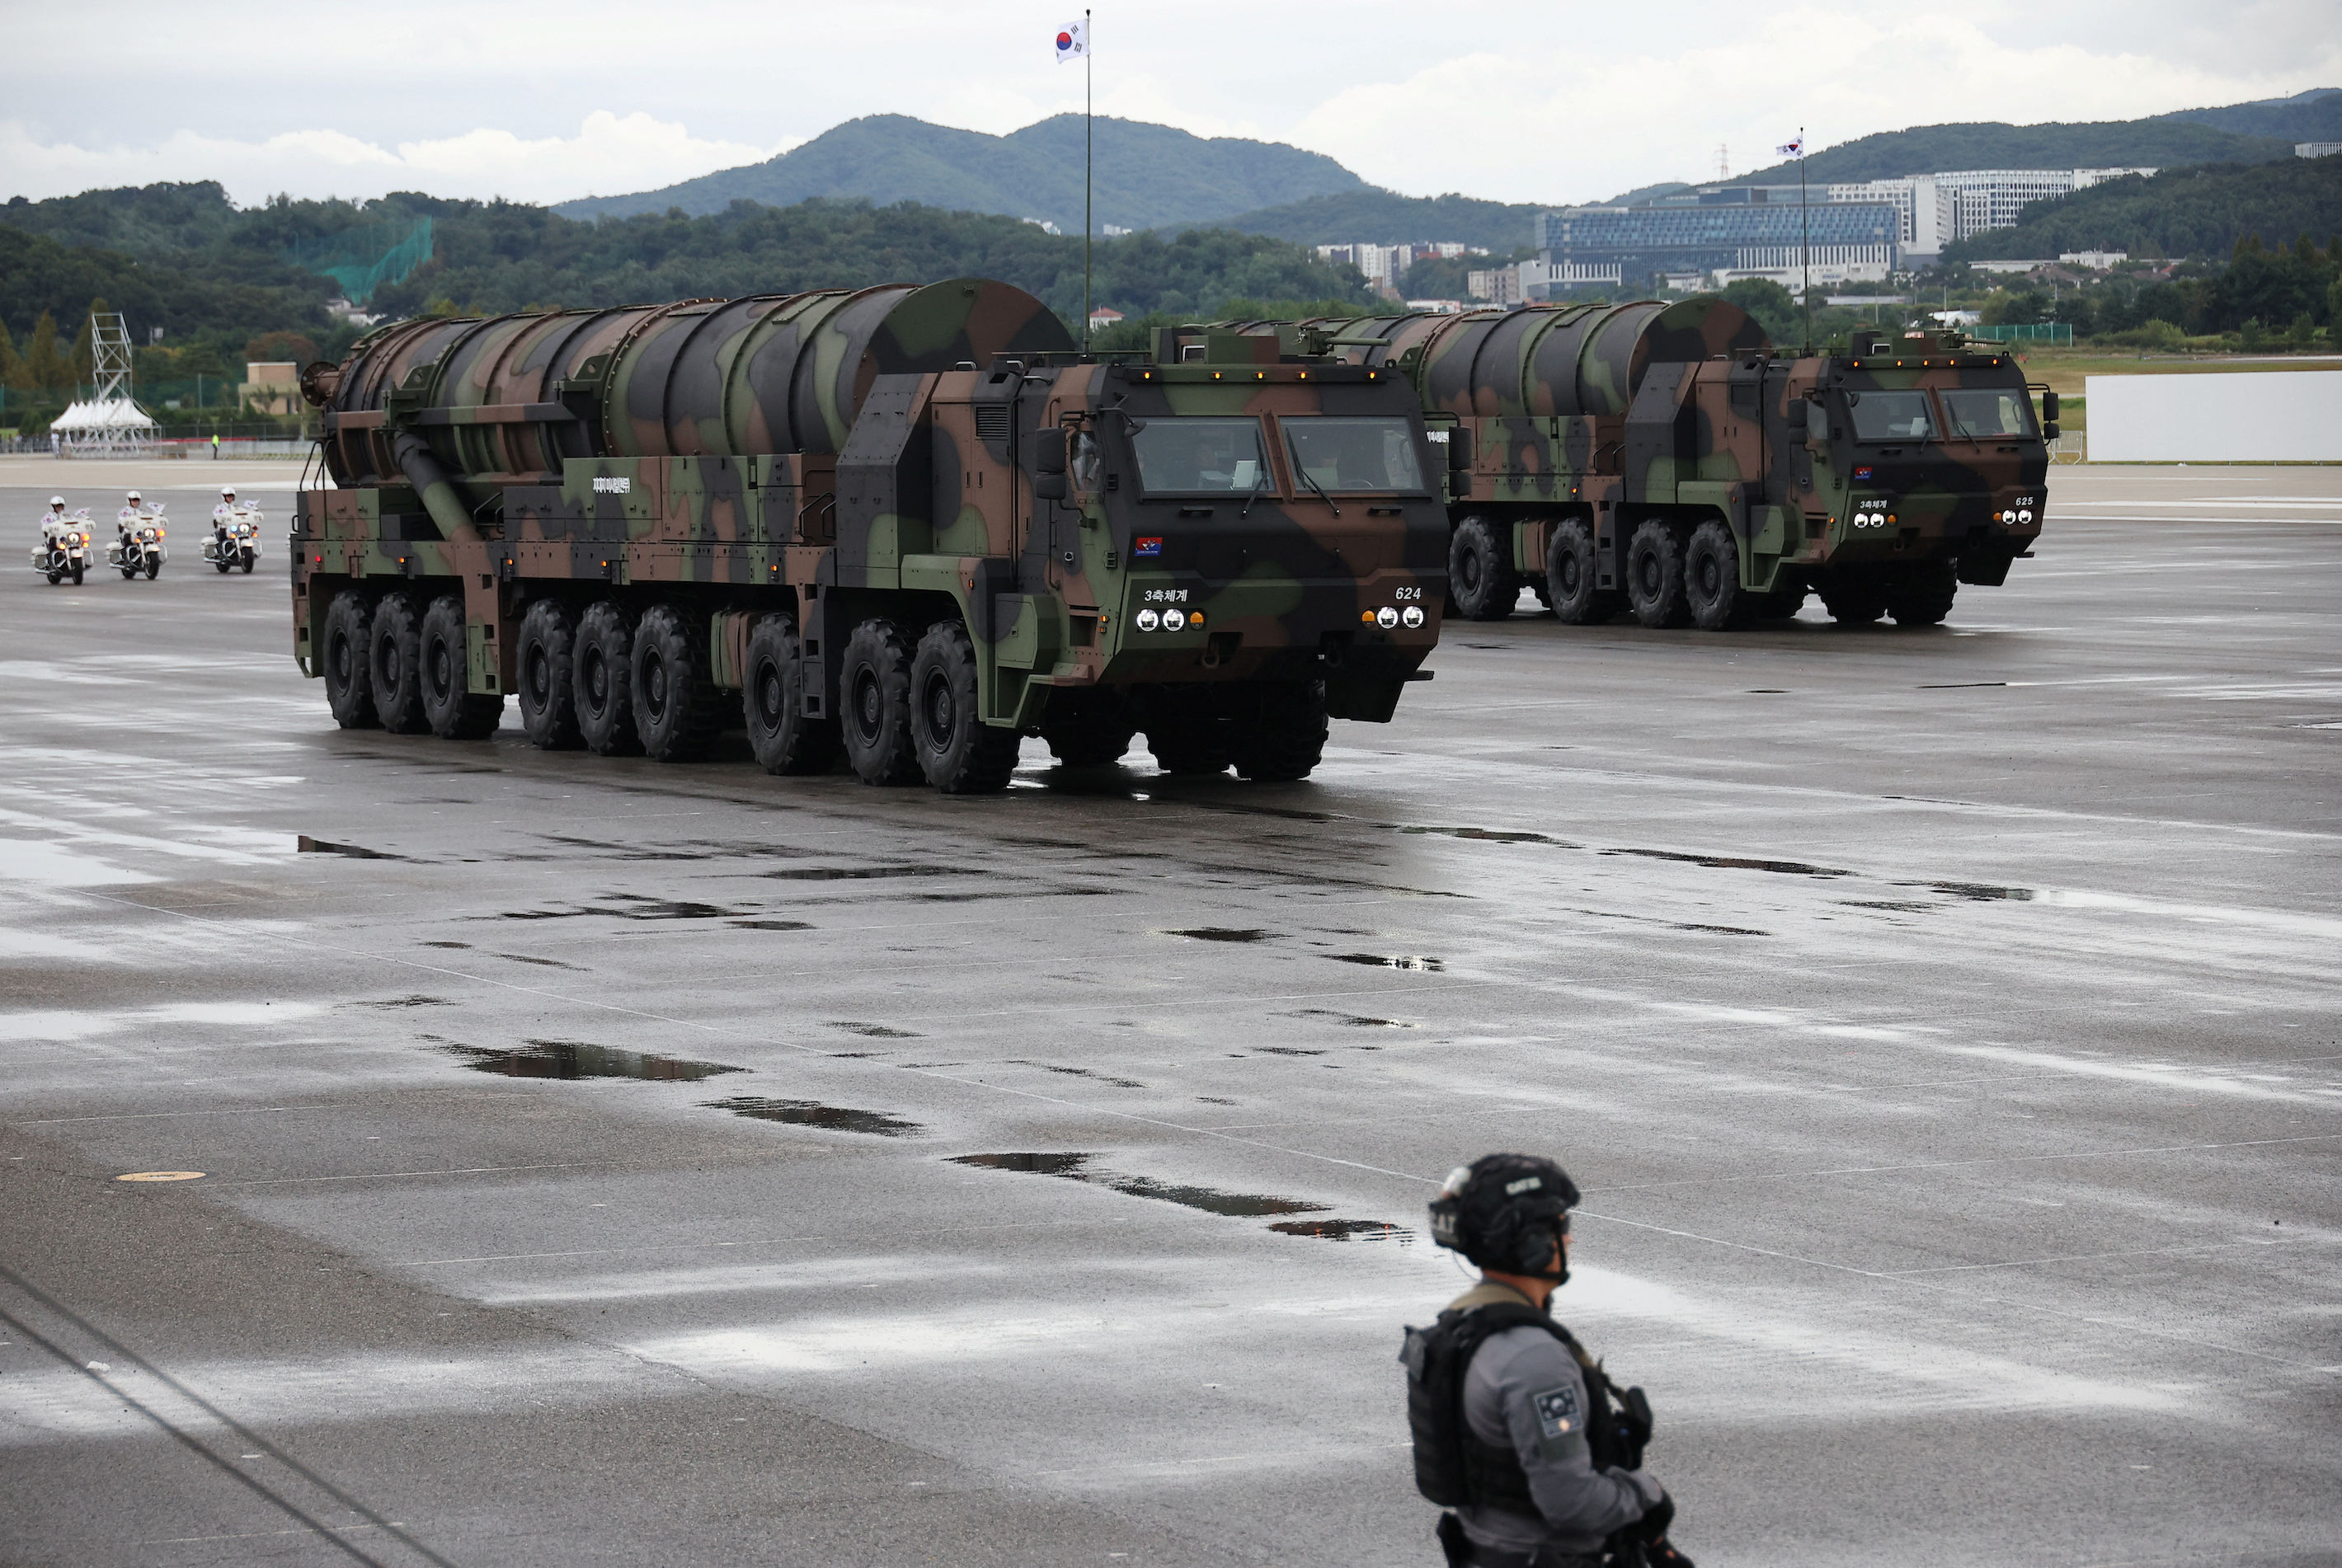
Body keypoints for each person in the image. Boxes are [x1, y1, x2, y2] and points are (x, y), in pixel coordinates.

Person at [1403, 1154, 1692, 1568]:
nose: (1569, 1240)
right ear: (1531, 1241)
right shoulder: (1533, 1359)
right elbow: (1570, 1501)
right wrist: (1645, 1494)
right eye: (1562, 1226)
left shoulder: (1464, 1327)